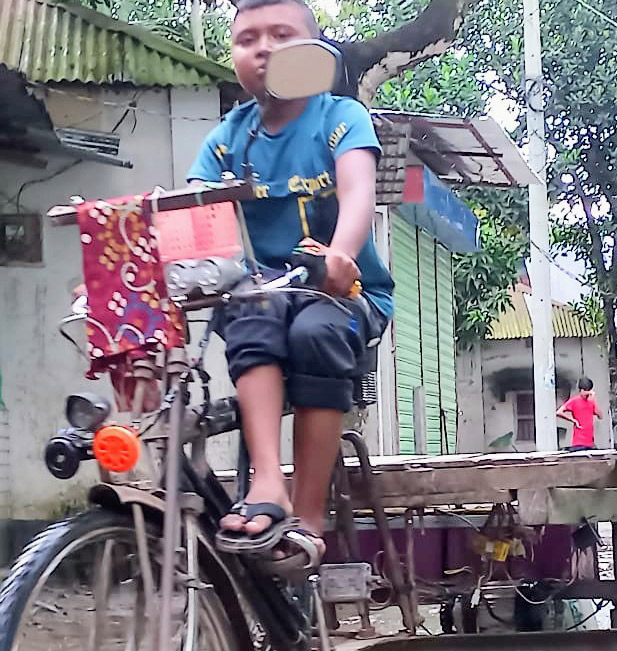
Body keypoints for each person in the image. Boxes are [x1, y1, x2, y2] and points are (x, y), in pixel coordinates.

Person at [184, 0, 392, 567]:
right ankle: (267, 484)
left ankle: (307, 518)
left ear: (315, 53)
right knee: (249, 315)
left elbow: (357, 194)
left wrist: (341, 257)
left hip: (343, 293)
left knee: (315, 331)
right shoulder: (226, 141)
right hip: (261, 292)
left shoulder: (340, 117)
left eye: (281, 35)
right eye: (248, 38)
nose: (264, 48)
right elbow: (197, 222)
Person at [557, 378, 603, 451]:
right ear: (581, 390)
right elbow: (559, 412)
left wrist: (594, 401)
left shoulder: (591, 401)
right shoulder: (574, 400)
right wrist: (573, 420)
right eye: (586, 391)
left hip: (590, 441)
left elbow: (600, 416)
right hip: (579, 442)